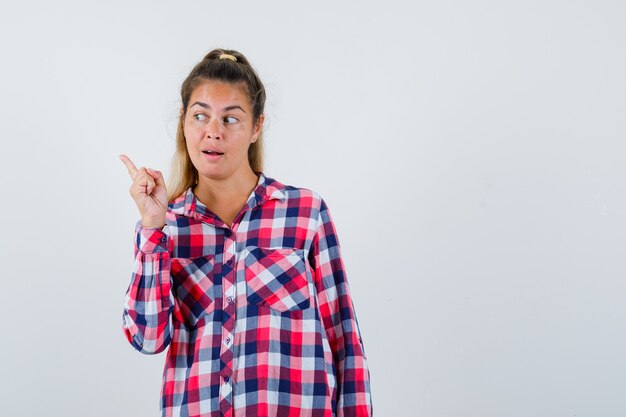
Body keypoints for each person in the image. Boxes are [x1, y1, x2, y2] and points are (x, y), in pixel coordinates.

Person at [119, 48, 373, 417]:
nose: (213, 132)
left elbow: (345, 342)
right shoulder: (165, 227)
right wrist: (153, 229)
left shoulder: (305, 214)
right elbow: (147, 338)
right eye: (200, 115)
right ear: (184, 122)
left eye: (231, 119)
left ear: (256, 127)